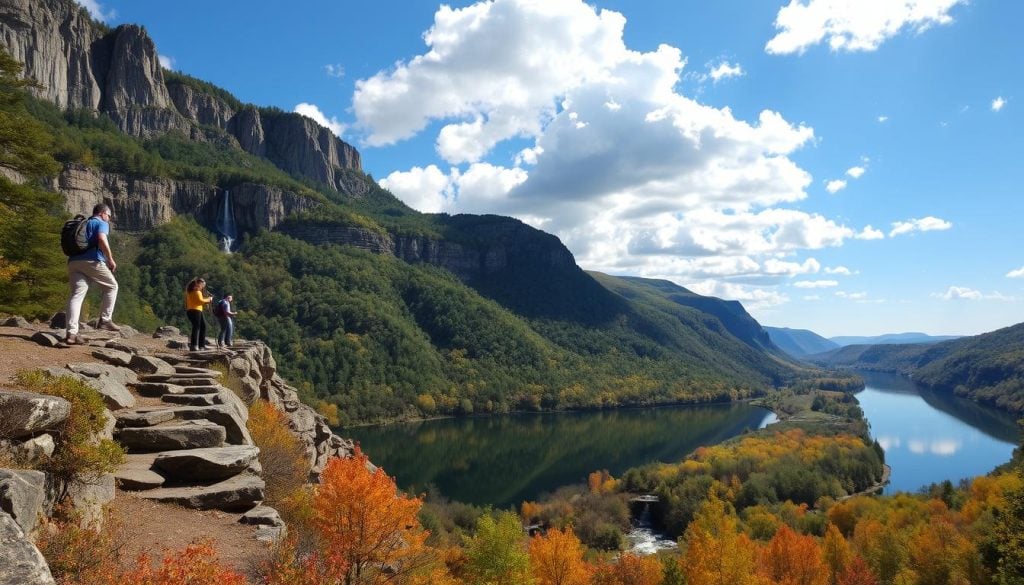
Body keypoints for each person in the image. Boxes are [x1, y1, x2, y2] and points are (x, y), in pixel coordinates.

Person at [65, 203, 119, 345]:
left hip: (73, 262)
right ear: (102, 213)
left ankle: (71, 333)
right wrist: (110, 259)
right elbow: (102, 239)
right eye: (109, 215)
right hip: (92, 261)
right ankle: (105, 320)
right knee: (112, 287)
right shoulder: (100, 223)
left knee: (76, 295)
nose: (109, 218)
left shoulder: (84, 223)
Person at [185, 277, 213, 351]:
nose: (202, 288)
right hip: (196, 310)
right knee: (197, 327)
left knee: (201, 326)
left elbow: (198, 301)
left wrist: (206, 300)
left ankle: (199, 345)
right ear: (198, 285)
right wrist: (209, 299)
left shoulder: (190, 291)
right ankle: (195, 345)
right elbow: (200, 301)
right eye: (202, 286)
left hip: (192, 310)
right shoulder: (197, 292)